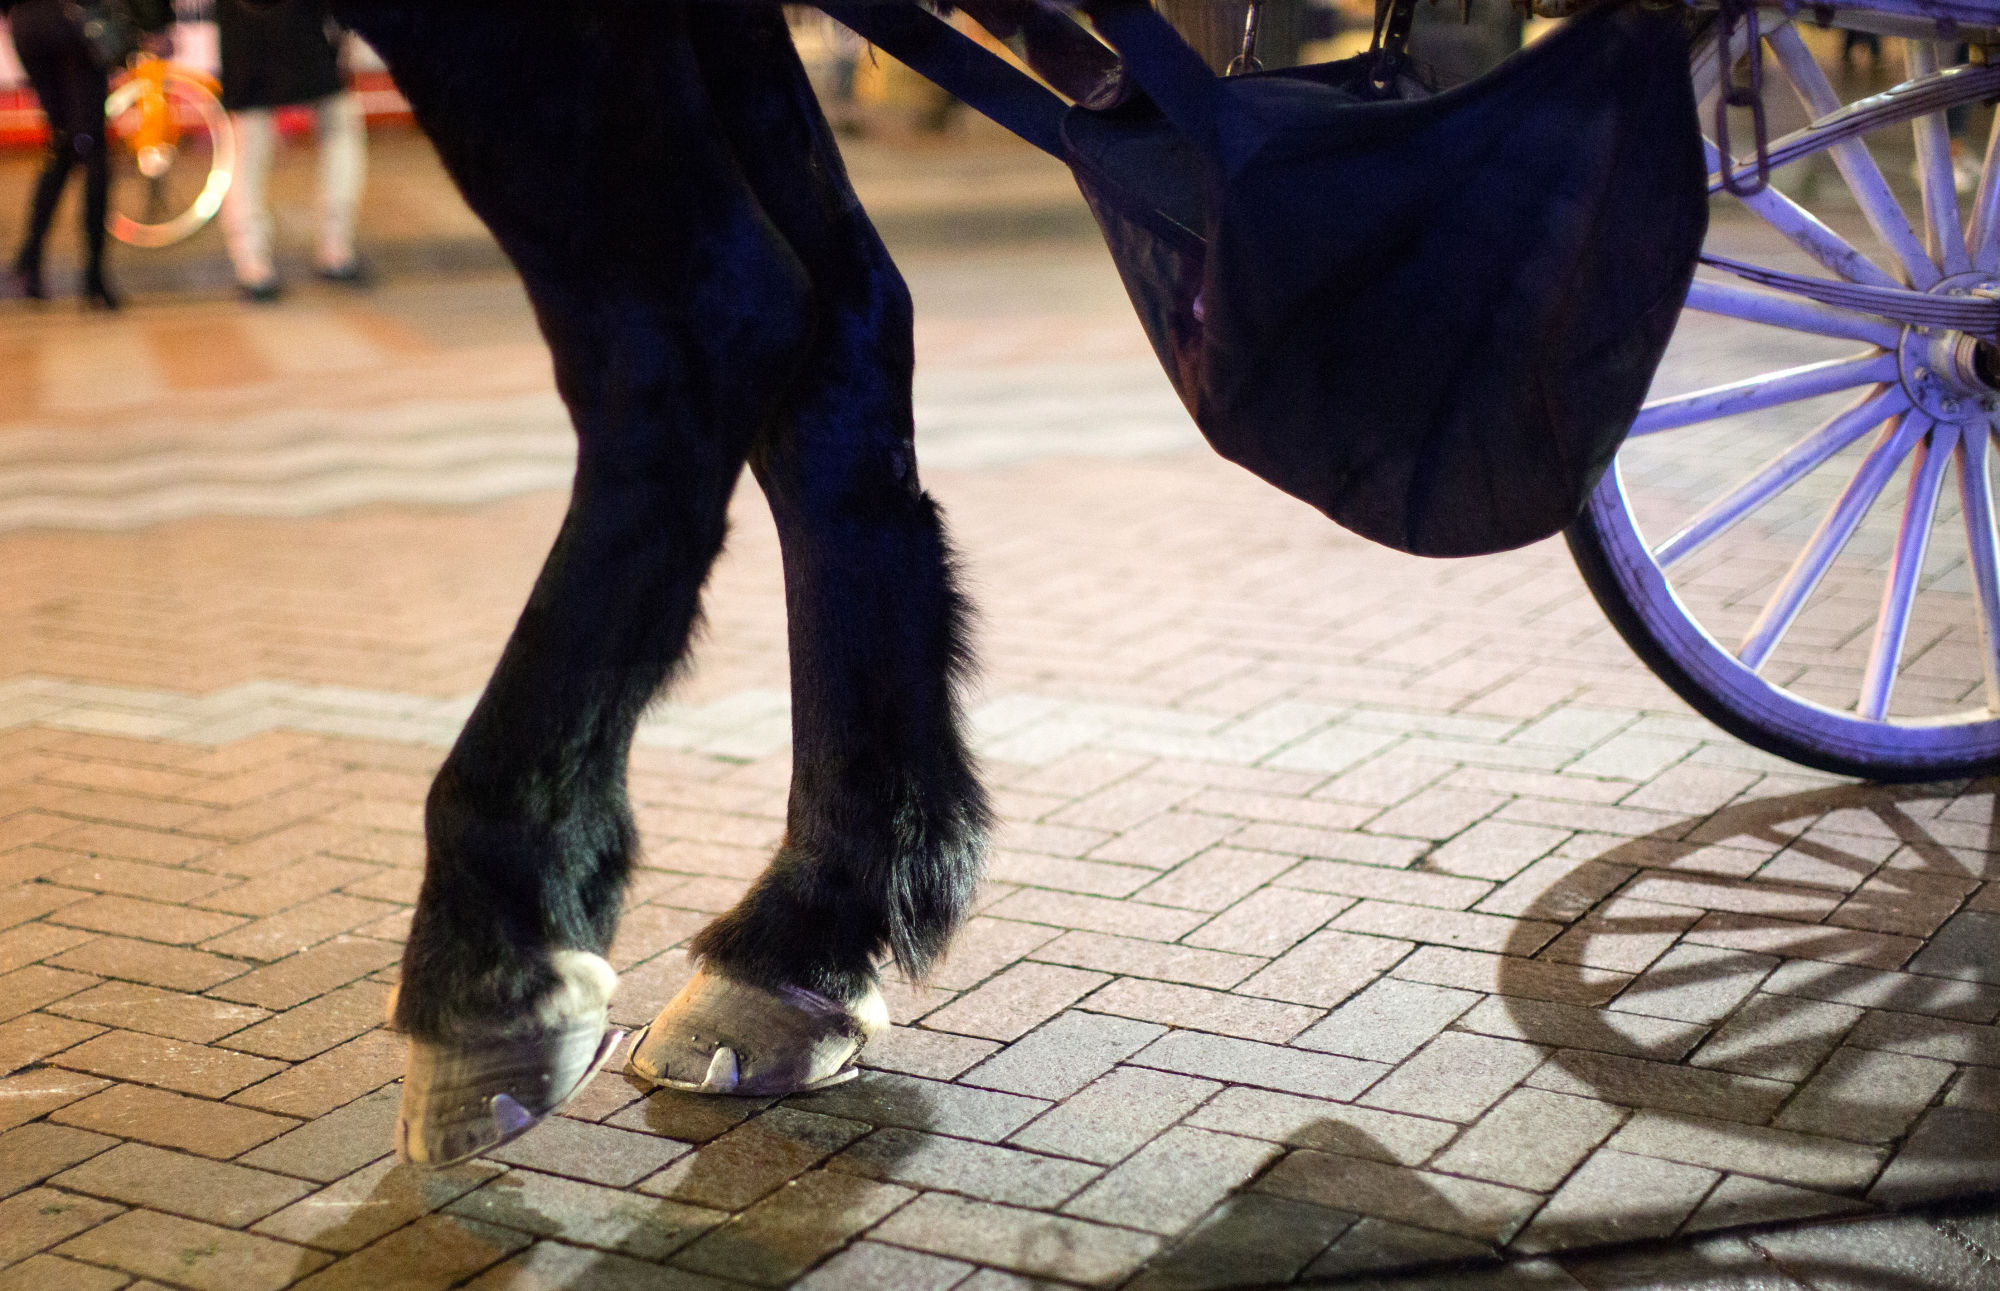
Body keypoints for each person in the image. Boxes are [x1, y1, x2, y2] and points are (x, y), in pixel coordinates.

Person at [3, 0, 171, 308]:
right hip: (75, 25)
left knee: (66, 141)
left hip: (28, 23)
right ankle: (93, 276)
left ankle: (29, 262)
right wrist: (155, 23)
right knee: (92, 149)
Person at [215, 0, 366, 301]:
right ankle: (335, 248)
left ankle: (252, 263)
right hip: (302, 26)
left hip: (246, 32)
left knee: (248, 145)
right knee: (339, 124)